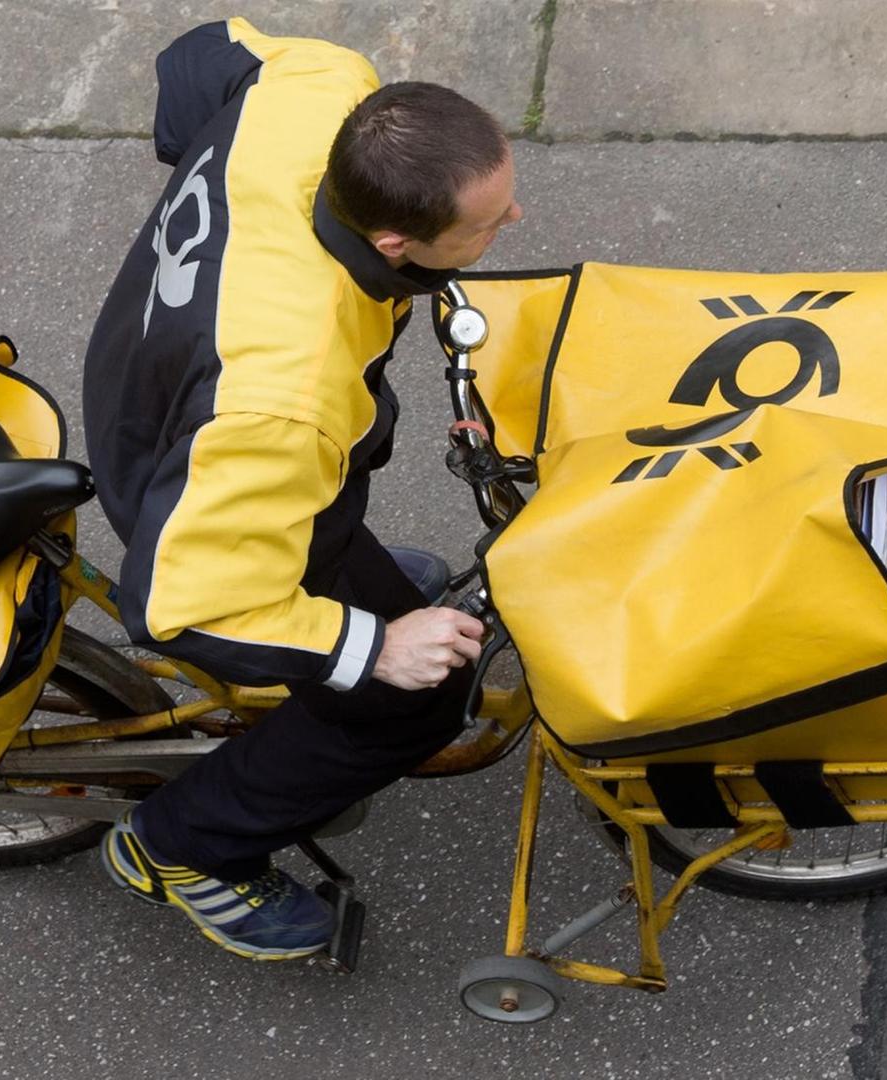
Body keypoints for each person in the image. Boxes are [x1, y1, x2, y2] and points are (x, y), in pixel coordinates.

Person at [80, 17, 523, 961]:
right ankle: (182, 849)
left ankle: (329, 578)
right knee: (414, 701)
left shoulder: (324, 87)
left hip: (154, 359)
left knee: (340, 545)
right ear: (397, 240)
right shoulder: (284, 402)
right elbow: (180, 605)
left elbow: (205, 54)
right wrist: (373, 643)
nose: (510, 226)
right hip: (189, 468)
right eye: (486, 227)